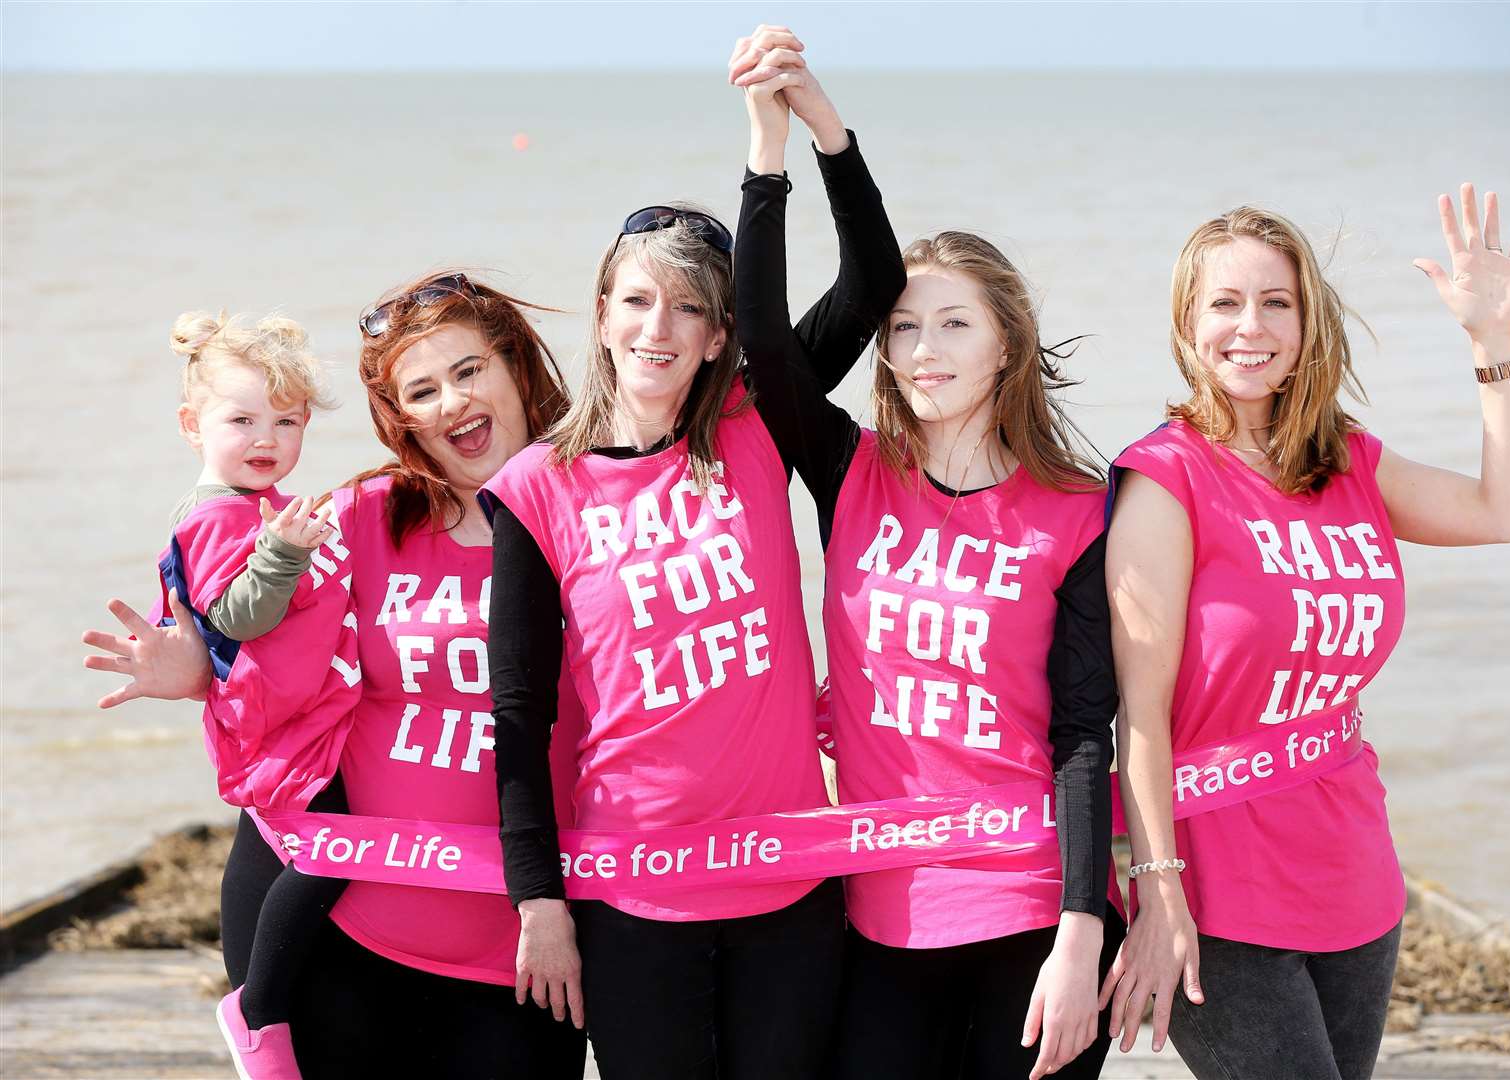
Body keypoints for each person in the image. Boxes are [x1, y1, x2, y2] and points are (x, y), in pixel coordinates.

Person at [478, 41, 903, 1080]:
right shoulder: (540, 487)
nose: (656, 327)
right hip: (633, 893)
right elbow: (520, 715)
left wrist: (811, 131)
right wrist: (539, 899)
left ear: (722, 338)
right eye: (634, 300)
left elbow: (875, 282)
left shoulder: (758, 429)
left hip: (788, 883)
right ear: (601, 314)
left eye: (687, 309)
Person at [729, 29, 1123, 1079]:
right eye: (902, 330)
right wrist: (787, 144)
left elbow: (1086, 736)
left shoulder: (1079, 510)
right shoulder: (849, 471)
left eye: (953, 325)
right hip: (877, 902)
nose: (922, 351)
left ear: (1007, 343)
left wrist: (1083, 930)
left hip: (1029, 904)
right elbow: (762, 347)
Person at [85, 273, 589, 1078]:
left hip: (522, 948)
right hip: (337, 931)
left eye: (468, 371)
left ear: (515, 368)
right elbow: (237, 610)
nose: (452, 403)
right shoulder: (360, 515)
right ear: (400, 418)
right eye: (421, 390)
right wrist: (195, 670)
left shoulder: (595, 513)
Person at [1100, 189, 1510, 1080]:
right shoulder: (1165, 480)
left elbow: (1508, 510)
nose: (1248, 326)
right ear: (1188, 323)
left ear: (1307, 323)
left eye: (1276, 302)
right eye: (1223, 303)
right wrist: (1158, 894)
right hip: (1219, 892)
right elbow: (1138, 715)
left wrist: (1493, 346)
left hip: (1355, 875)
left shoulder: (1345, 461)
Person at [158, 310, 353, 1079]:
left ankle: (284, 1003)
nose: (266, 438)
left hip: (303, 720)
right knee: (331, 853)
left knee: (313, 855)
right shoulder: (218, 518)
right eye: (241, 420)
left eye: (287, 420)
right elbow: (238, 612)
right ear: (191, 425)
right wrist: (283, 553)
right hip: (274, 734)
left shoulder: (261, 508)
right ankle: (256, 1006)